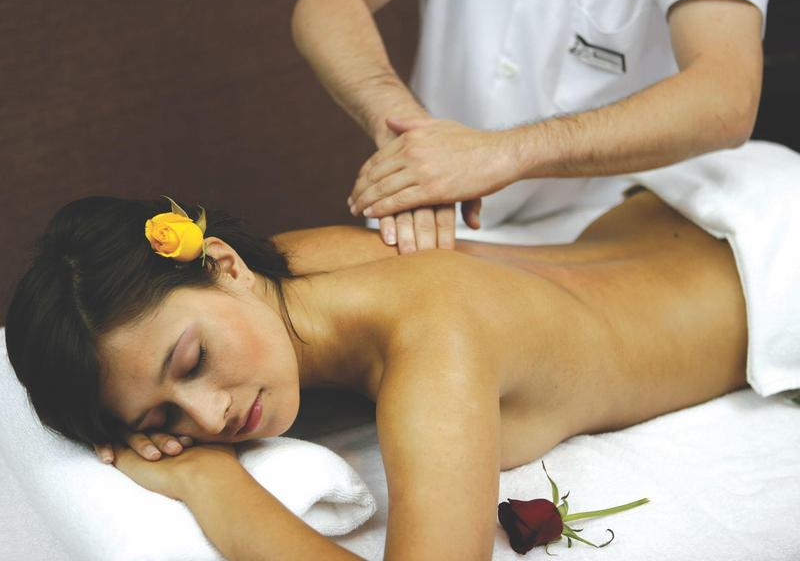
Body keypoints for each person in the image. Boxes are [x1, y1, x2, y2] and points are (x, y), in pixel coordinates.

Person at [5, 190, 748, 559]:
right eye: (161, 421)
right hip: (671, 219)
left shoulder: (435, 344)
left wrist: (211, 484)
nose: (206, 420)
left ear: (223, 263)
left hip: (771, 275)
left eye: (193, 364)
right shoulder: (288, 269)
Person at [292, 0, 769, 253]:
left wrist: (504, 153)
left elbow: (726, 96)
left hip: (605, 228)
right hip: (429, 207)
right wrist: (407, 135)